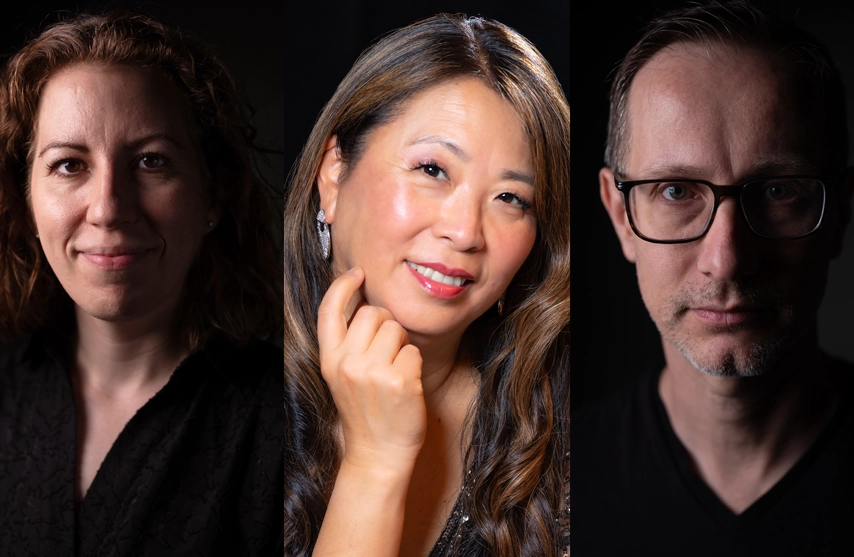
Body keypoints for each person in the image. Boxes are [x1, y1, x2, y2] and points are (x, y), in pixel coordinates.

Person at [282, 14, 570, 557]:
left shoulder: (567, 428)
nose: (464, 232)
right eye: (433, 170)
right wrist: (375, 461)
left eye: (510, 199)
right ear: (334, 175)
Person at [573, 1, 854, 555]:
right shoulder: (550, 483)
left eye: (778, 192)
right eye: (676, 191)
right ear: (619, 215)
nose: (725, 260)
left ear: (840, 212)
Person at [0, 12, 284, 555]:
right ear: (26, 200)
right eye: (68, 165)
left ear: (213, 195)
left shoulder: (287, 418)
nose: (108, 209)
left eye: (151, 162)